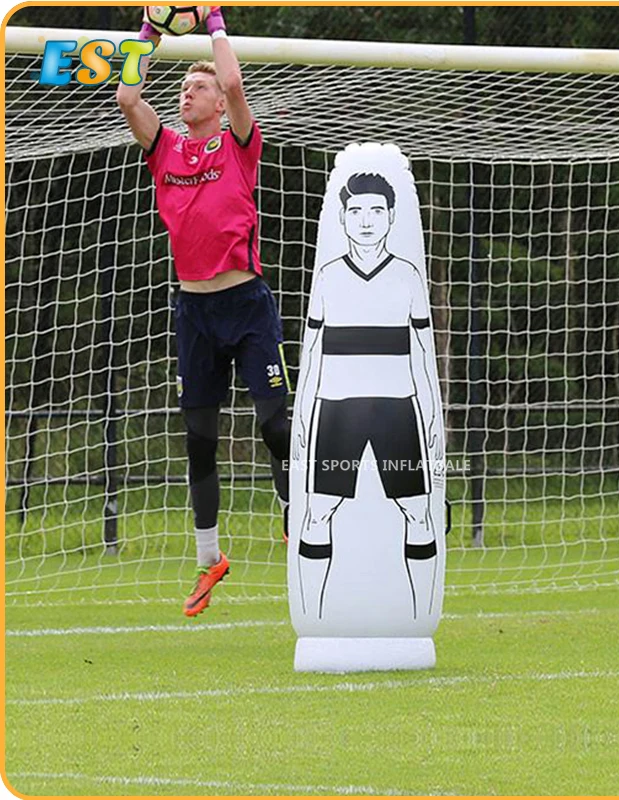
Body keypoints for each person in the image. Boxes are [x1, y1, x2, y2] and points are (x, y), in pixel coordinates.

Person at [116, 7, 290, 617]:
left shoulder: (239, 144)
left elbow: (235, 82)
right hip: (192, 310)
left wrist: (213, 20)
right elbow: (128, 96)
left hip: (246, 304)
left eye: (198, 87)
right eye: (184, 87)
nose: (187, 93)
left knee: (275, 426)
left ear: (219, 104)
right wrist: (149, 30)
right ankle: (209, 558)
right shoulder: (164, 147)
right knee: (198, 439)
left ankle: (299, 521)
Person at [293, 172, 442, 620]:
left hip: (397, 410)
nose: (366, 220)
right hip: (338, 411)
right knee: (318, 512)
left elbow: (422, 353)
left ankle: (417, 617)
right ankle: (315, 618)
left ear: (391, 217)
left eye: (376, 211)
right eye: (356, 211)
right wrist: (303, 413)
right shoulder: (329, 278)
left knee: (418, 513)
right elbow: (313, 353)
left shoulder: (407, 276)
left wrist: (431, 414)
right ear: (342, 217)